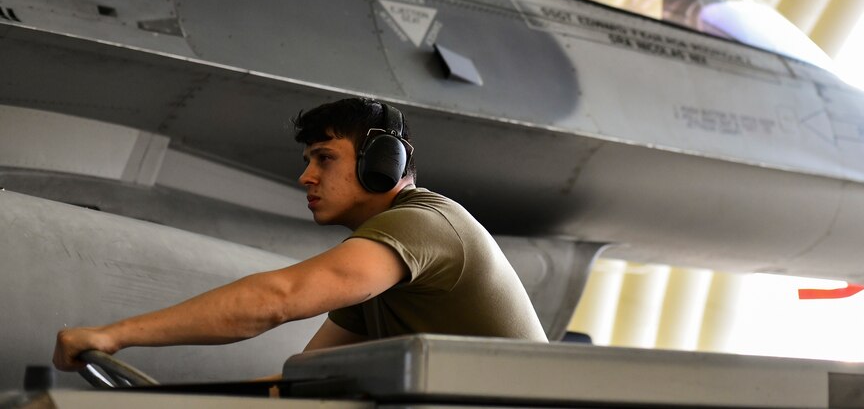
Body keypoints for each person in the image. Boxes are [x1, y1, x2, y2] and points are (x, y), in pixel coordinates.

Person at [53, 98, 546, 373]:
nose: (306, 177)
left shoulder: (423, 226)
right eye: (307, 160)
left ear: (383, 164)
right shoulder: (382, 266)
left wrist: (112, 336)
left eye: (324, 158)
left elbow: (277, 299)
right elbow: (302, 381)